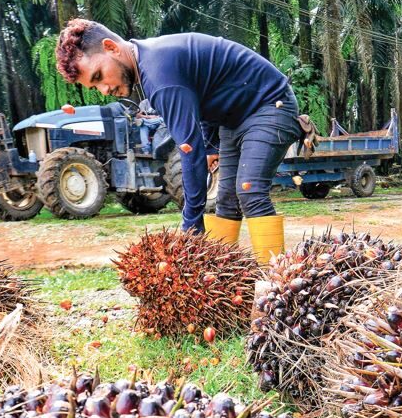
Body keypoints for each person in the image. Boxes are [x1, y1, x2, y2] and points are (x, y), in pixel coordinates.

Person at [54, 19, 301, 263]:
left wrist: (191, 227)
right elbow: (207, 93)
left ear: (111, 47)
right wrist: (211, 146)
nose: (104, 90)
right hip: (233, 120)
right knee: (226, 200)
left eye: (98, 76)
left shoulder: (159, 75)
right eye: (94, 86)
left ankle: (275, 286)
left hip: (270, 105)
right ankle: (224, 280)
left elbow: (189, 151)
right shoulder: (148, 60)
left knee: (250, 191)